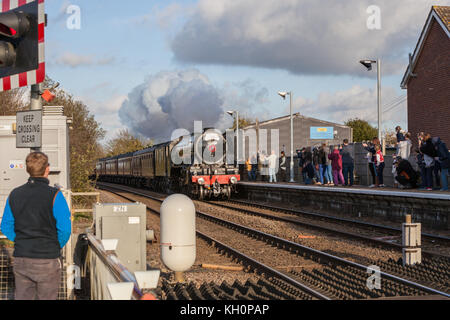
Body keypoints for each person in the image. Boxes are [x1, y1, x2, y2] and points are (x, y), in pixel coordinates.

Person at [1, 152, 71, 300]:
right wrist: (54, 245)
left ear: (28, 169)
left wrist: (21, 240)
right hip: (47, 259)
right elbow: (65, 229)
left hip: (22, 258)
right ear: (47, 169)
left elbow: (6, 226)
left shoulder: (14, 194)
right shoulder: (55, 195)